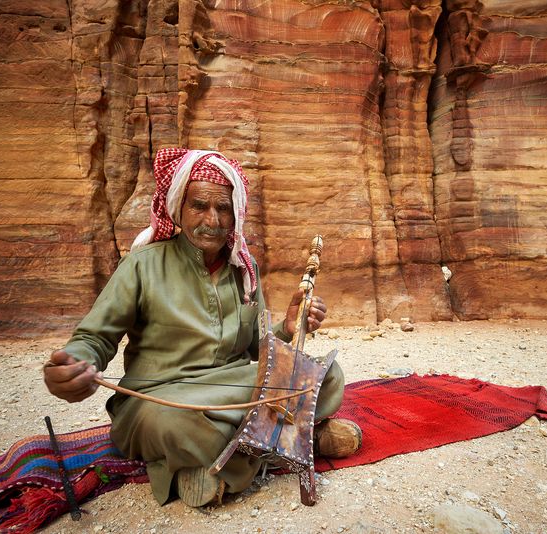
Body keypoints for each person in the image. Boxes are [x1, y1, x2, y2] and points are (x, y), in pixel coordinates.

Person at [42, 148, 361, 507]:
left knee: (325, 374)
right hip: (165, 399)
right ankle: (294, 442)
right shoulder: (143, 265)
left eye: (223, 208)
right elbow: (94, 338)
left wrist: (287, 327)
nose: (212, 219)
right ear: (179, 208)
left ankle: (214, 465)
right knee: (173, 423)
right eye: (199, 206)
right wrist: (74, 363)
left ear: (234, 213)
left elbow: (260, 351)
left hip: (230, 389)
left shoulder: (244, 267)